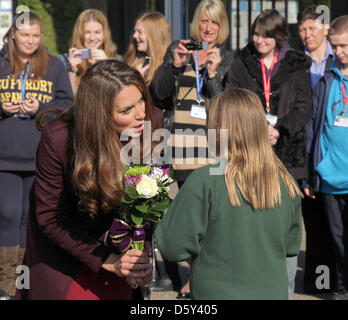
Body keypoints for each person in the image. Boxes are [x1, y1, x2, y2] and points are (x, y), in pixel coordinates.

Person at [15, 60, 154, 300]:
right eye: (126, 110)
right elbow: (50, 218)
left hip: (119, 249)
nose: (141, 113)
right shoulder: (59, 139)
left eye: (141, 99)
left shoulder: (149, 125)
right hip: (67, 255)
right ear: (98, 114)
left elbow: (150, 199)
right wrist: (107, 260)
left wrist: (140, 255)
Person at [155, 88, 303, 300]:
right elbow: (290, 246)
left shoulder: (204, 180)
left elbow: (171, 246)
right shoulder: (286, 182)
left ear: (217, 129)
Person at [226, 9, 312, 298]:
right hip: (250, 151)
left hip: (287, 155)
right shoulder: (241, 63)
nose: (259, 40)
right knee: (251, 220)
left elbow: (303, 108)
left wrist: (279, 130)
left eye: (266, 34)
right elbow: (232, 102)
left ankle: (284, 291)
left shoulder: (296, 64)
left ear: (278, 36)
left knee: (286, 226)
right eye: (255, 34)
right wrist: (255, 129)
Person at [151, 0, 233, 298]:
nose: (208, 28)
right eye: (203, 21)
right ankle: (186, 273)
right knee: (177, 216)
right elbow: (158, 96)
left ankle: (195, 280)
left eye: (214, 23)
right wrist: (173, 64)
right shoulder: (180, 49)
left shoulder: (229, 58)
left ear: (222, 26)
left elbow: (225, 107)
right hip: (178, 151)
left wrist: (212, 75)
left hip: (210, 153)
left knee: (207, 219)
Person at [0, 11, 74, 300]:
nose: (30, 40)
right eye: (25, 34)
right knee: (7, 216)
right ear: (13, 35)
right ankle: (6, 283)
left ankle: (26, 283)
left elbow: (67, 104)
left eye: (35, 35)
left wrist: (40, 110)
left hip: (39, 156)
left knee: (31, 219)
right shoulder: (2, 63)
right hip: (4, 157)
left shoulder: (54, 65)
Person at [305, 15, 348, 300]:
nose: (339, 52)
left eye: (344, 46)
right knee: (337, 239)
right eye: (335, 47)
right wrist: (312, 172)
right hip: (330, 176)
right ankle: (343, 286)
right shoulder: (327, 79)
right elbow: (312, 127)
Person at [297, 5, 336, 294]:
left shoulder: (339, 61)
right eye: (302, 29)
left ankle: (334, 279)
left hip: (333, 151)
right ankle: (319, 282)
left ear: (325, 30)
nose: (305, 34)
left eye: (311, 28)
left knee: (335, 224)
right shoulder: (298, 62)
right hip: (305, 150)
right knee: (315, 224)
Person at [124, 11, 171, 130]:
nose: (134, 36)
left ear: (153, 35)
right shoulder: (133, 61)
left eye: (139, 32)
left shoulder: (169, 66)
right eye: (135, 31)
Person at [57, 9, 121, 94]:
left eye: (97, 32)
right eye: (87, 32)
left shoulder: (116, 61)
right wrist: (72, 71)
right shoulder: (63, 61)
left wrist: (108, 65)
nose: (92, 38)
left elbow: (118, 96)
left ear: (105, 34)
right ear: (79, 33)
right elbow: (66, 100)